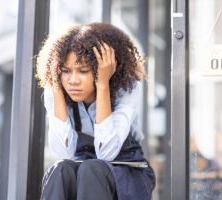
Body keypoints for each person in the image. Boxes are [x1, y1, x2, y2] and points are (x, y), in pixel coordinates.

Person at [35, 22, 156, 200]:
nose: (73, 80)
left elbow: (106, 154)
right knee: (61, 169)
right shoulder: (57, 88)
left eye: (83, 71)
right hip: (80, 170)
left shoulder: (126, 89)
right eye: (66, 71)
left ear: (103, 70)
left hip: (125, 170)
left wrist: (103, 85)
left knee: (92, 168)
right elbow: (63, 154)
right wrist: (56, 87)